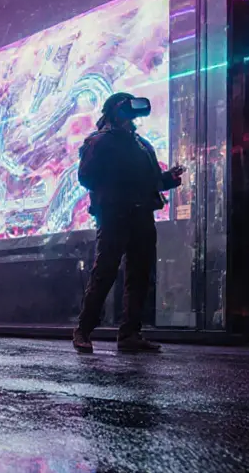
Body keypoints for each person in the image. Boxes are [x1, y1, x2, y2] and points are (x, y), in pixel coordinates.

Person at [72, 92, 186, 354]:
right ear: (115, 111)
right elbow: (85, 176)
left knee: (140, 275)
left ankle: (130, 334)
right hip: (114, 214)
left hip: (141, 214)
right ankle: (83, 330)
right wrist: (116, 183)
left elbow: (153, 180)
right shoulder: (99, 141)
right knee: (105, 272)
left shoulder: (142, 145)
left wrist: (169, 179)